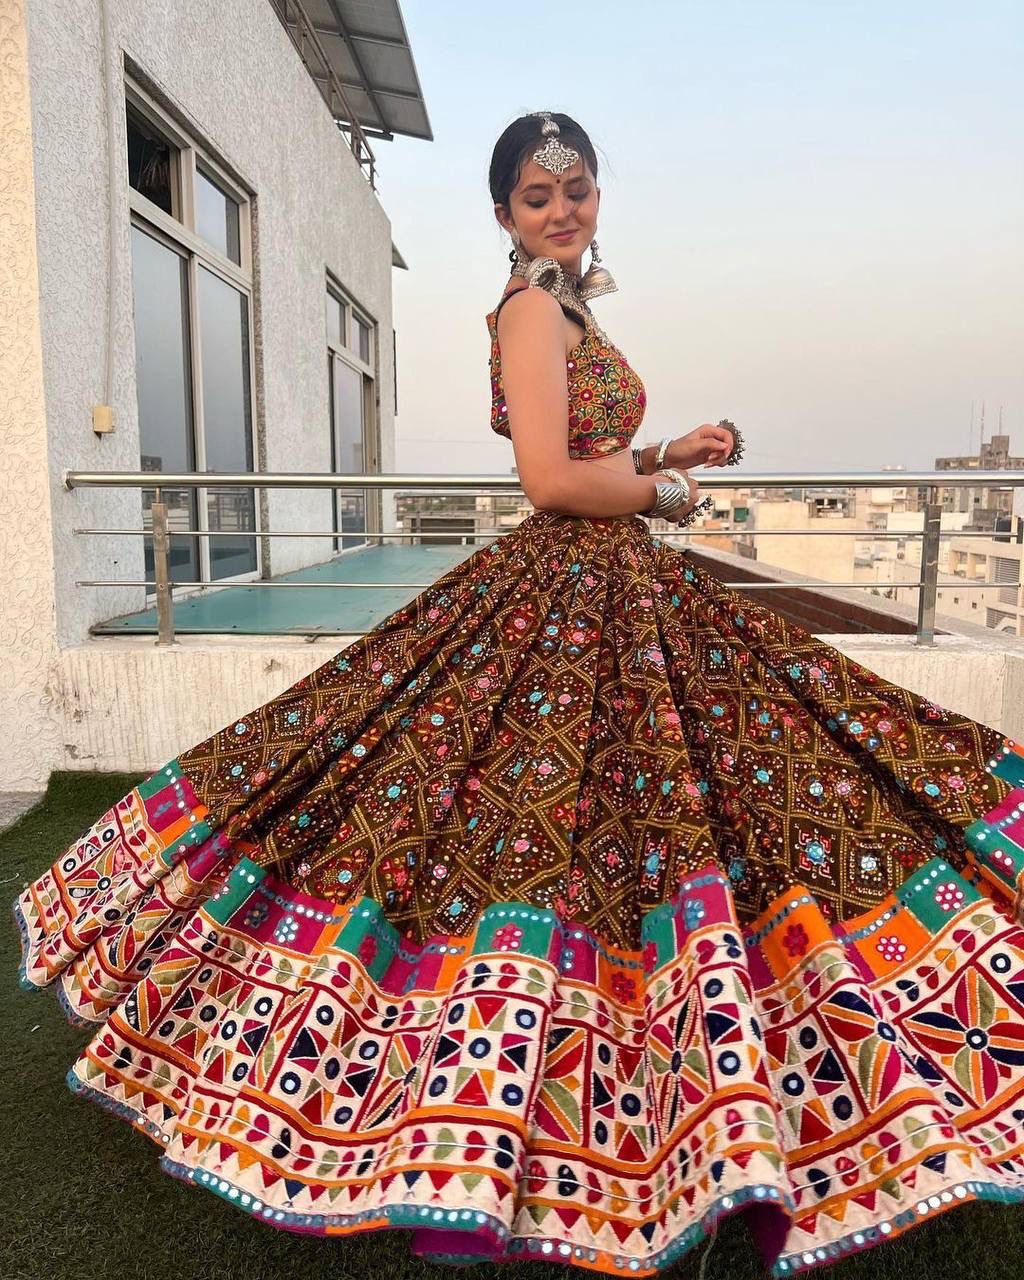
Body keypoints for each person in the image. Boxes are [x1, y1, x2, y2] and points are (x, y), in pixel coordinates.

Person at [14, 110, 1024, 1277]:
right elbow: (549, 479)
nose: (561, 208)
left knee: (645, 816)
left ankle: (638, 1096)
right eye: (537, 195)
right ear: (503, 211)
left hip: (615, 586)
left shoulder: (568, 302)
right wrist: (668, 495)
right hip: (574, 584)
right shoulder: (532, 308)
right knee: (524, 825)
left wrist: (670, 451)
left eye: (577, 188)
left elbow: (591, 458)